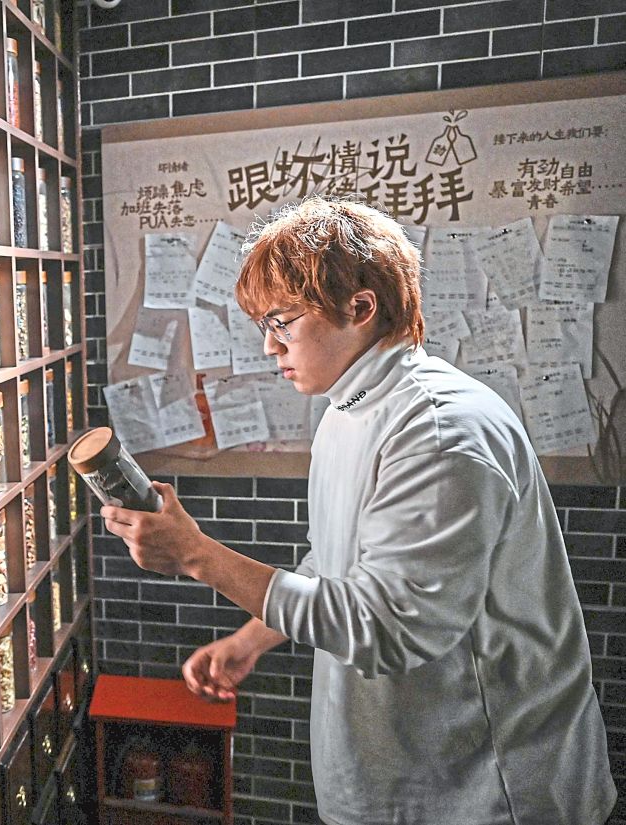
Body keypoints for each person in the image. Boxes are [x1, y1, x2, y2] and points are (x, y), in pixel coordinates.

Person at [101, 197, 616, 824]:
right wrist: (254, 637)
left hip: (487, 789)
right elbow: (341, 562)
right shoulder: (352, 407)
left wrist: (197, 555)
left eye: (283, 322)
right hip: (407, 776)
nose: (269, 346)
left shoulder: (438, 430)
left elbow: (392, 626)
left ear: (360, 307)